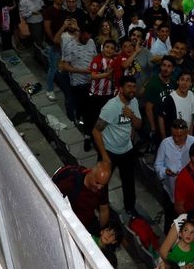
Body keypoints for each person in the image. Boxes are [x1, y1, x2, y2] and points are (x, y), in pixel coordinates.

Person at [93, 75, 143, 217]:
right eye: (129, 86)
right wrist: (104, 156)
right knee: (102, 182)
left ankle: (130, 208)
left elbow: (138, 124)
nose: (132, 90)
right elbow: (96, 131)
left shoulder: (134, 102)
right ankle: (100, 206)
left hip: (126, 149)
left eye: (134, 86)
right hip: (109, 151)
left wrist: (132, 116)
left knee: (128, 182)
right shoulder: (111, 107)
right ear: (121, 89)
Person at [52, 161, 111, 232]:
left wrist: (101, 230)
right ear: (90, 173)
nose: (99, 187)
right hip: (68, 222)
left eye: (103, 185)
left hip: (86, 224)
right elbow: (54, 198)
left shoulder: (101, 184)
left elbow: (104, 210)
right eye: (97, 183)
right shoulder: (71, 180)